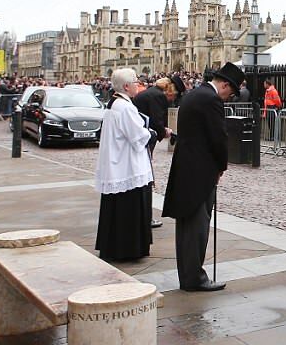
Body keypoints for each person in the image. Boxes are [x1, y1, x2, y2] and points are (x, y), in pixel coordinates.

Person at [162, 62, 244, 292]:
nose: (230, 97)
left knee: (188, 226)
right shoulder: (211, 99)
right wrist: (221, 167)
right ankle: (194, 278)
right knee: (197, 227)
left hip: (187, 167)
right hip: (200, 171)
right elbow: (219, 137)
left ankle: (188, 274)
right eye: (232, 92)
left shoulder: (195, 94)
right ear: (225, 84)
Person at [93, 68, 154, 261]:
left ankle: (114, 247)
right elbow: (137, 136)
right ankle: (128, 249)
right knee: (128, 211)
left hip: (118, 163)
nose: (138, 85)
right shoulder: (125, 107)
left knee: (117, 210)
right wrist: (151, 133)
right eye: (136, 82)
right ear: (126, 86)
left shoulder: (116, 104)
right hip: (127, 166)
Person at [134, 76, 177, 229]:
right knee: (146, 176)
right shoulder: (157, 96)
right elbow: (156, 120)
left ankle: (143, 214)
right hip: (144, 138)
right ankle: (145, 216)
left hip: (140, 137)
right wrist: (164, 132)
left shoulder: (151, 93)